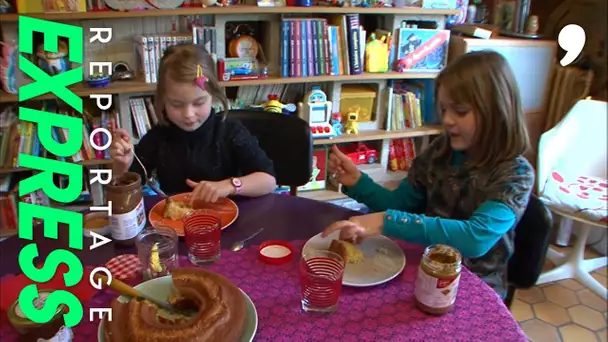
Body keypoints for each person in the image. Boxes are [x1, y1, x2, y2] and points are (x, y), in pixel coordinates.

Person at [322, 51, 535, 298]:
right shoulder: (440, 152)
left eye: (461, 111)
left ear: (497, 111)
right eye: (444, 109)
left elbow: (475, 238)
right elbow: (400, 204)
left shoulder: (515, 175)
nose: (447, 120)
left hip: (477, 289)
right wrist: (358, 182)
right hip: (425, 272)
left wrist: (383, 221)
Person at [110, 44, 276, 203]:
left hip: (229, 219)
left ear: (213, 95)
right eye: (176, 104)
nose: (188, 114)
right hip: (177, 224)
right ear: (162, 100)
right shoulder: (157, 138)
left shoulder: (230, 132)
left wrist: (229, 186)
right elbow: (124, 191)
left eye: (198, 103)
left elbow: (268, 180)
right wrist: (121, 166)